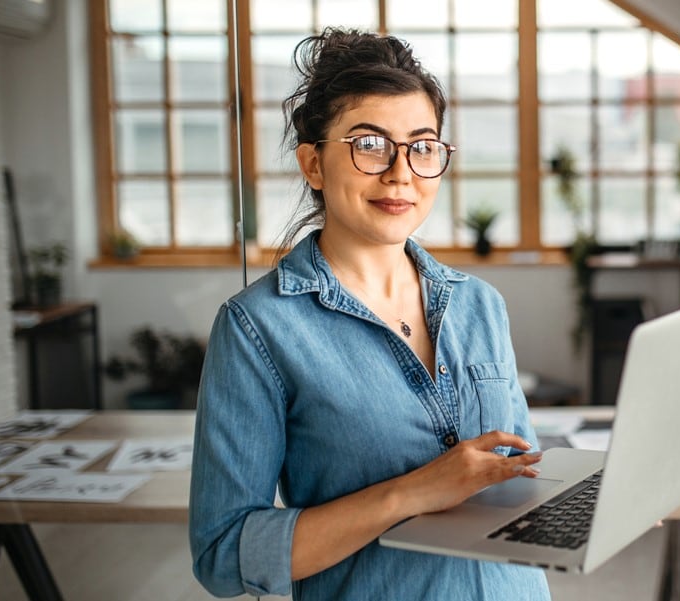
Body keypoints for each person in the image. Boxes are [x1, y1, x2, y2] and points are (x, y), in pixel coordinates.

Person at [189, 29, 549, 600]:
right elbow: (223, 553)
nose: (401, 172)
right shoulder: (258, 329)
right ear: (313, 164)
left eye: (422, 146)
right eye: (369, 144)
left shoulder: (480, 304)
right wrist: (411, 493)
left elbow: (518, 468)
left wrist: (595, 497)